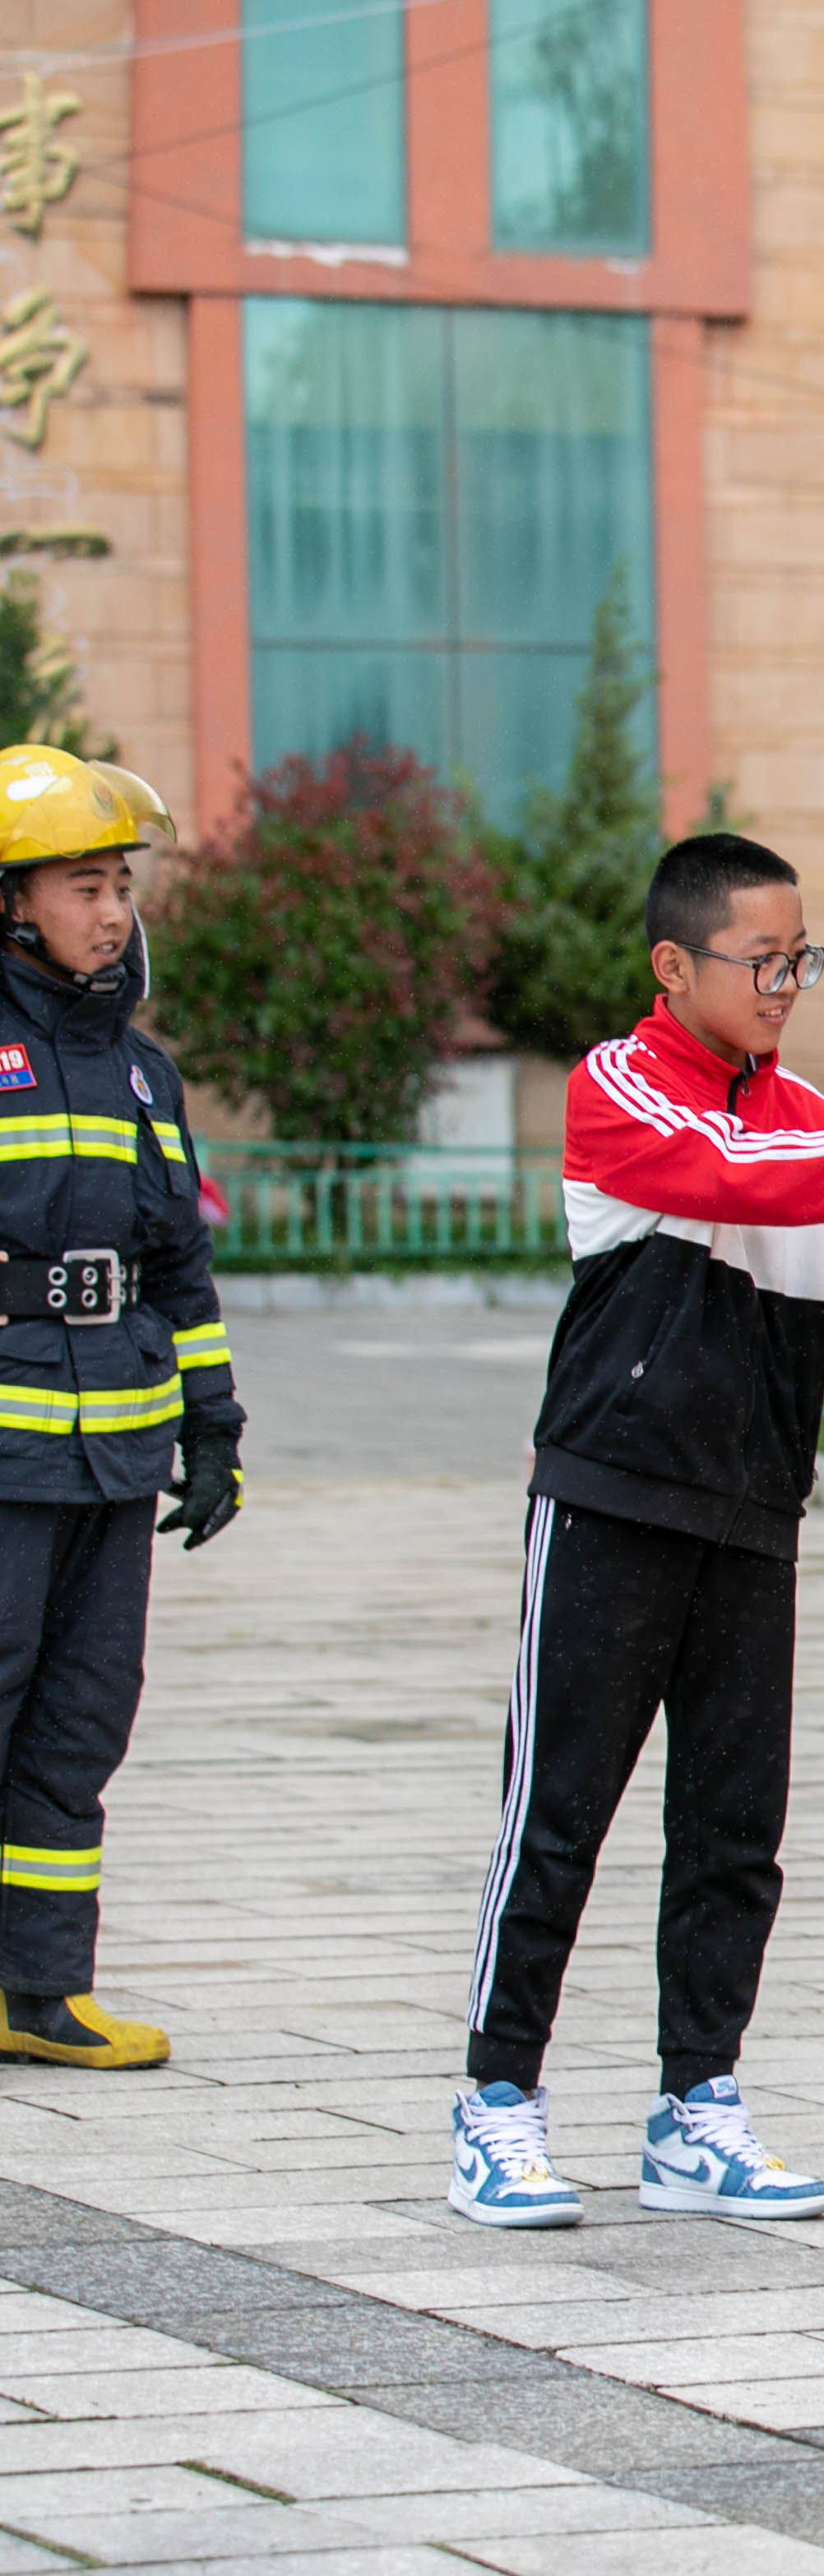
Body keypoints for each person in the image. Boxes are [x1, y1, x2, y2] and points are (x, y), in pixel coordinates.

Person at [448, 833, 824, 2231]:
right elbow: (738, 1173)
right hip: (613, 1501)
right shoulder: (619, 1088)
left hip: (753, 1520)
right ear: (673, 967)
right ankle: (497, 2103)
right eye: (762, 961)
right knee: (557, 1816)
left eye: (802, 960)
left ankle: (697, 2108)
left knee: (735, 1831)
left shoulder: (814, 1122)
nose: (786, 985)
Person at [0, 750, 238, 2074]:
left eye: (120, 888)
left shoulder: (144, 1073)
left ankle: (40, 1992)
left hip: (115, 1454)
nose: (111, 912)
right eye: (83, 886)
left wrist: (213, 1429)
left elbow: (180, 1266)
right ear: (10, 901)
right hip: (7, 1452)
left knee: (82, 1720)